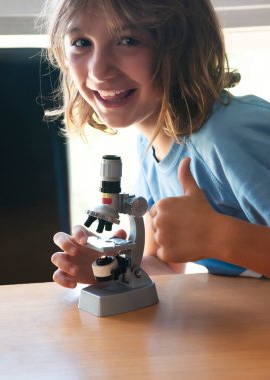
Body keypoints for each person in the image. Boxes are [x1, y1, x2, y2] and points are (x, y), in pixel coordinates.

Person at [41, 0, 270, 288]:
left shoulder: (229, 135)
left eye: (127, 40)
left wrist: (220, 237)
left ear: (182, 46)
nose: (98, 71)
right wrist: (108, 268)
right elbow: (164, 263)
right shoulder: (152, 145)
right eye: (81, 42)